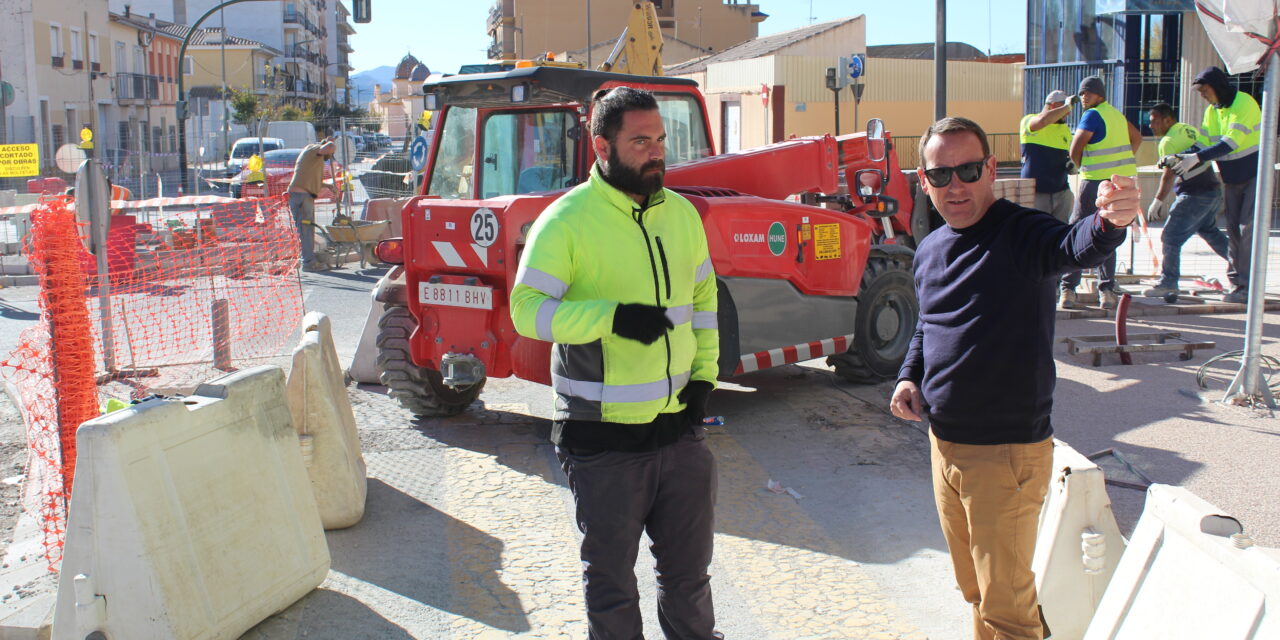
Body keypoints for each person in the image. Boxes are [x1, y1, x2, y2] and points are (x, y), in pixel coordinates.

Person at [891, 117, 1138, 640]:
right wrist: (908, 377)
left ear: (989, 169)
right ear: (923, 179)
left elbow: (1074, 246)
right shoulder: (933, 248)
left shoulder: (1021, 232)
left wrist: (1109, 223)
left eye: (968, 169)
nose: (955, 185)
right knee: (976, 589)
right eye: (941, 174)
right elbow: (930, 325)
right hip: (944, 444)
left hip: (1004, 454)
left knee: (1007, 608)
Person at [509, 87, 722, 640]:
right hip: (602, 440)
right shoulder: (566, 221)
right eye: (640, 141)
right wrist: (610, 317)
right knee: (611, 585)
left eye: (660, 140)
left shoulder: (682, 215)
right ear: (602, 146)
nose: (656, 152)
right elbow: (526, 312)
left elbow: (703, 304)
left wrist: (704, 378)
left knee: (689, 579)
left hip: (679, 433)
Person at [1174, 66, 1260, 304]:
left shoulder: (1244, 103)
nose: (1203, 96)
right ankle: (1237, 285)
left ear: (1218, 86)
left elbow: (1230, 143)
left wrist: (1197, 158)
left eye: (1205, 91)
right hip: (1232, 178)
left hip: (1254, 176)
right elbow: (1202, 144)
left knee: (1246, 230)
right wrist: (1180, 156)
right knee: (1233, 231)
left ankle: (1248, 286)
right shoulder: (1213, 111)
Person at [1059, 75, 1141, 310]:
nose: (1084, 97)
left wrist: (1077, 165)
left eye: (1089, 93)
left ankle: (1068, 289)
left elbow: (1076, 146)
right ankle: (1106, 290)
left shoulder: (1092, 115)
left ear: (1100, 95)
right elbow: (1137, 138)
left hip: (1094, 181)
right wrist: (1120, 162)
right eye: (1082, 93)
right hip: (1118, 183)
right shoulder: (1115, 114)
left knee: (1077, 231)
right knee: (1109, 231)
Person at [1143, 103, 1231, 299]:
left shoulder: (1168, 141)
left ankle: (1168, 282)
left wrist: (1157, 200)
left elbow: (1168, 174)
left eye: (1154, 121)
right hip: (1212, 191)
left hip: (1194, 194)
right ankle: (1244, 269)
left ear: (1168, 119)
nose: (1151, 126)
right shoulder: (1189, 130)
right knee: (1211, 233)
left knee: (1170, 237)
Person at [1019, 89, 1077, 222]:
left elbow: (1067, 156)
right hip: (1036, 192)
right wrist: (1067, 106)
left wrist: (1072, 165)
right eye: (1063, 107)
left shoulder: (1064, 130)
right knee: (1036, 231)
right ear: (1052, 105)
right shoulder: (1029, 120)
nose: (1067, 112)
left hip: (1061, 191)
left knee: (1060, 232)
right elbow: (1043, 120)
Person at [286, 136, 337, 271]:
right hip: (301, 197)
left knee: (306, 231)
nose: (329, 157)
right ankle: (308, 263)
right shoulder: (312, 149)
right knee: (306, 231)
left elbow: (310, 180)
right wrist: (331, 142)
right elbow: (329, 147)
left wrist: (328, 186)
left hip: (303, 196)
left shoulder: (315, 159)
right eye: (330, 155)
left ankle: (308, 258)